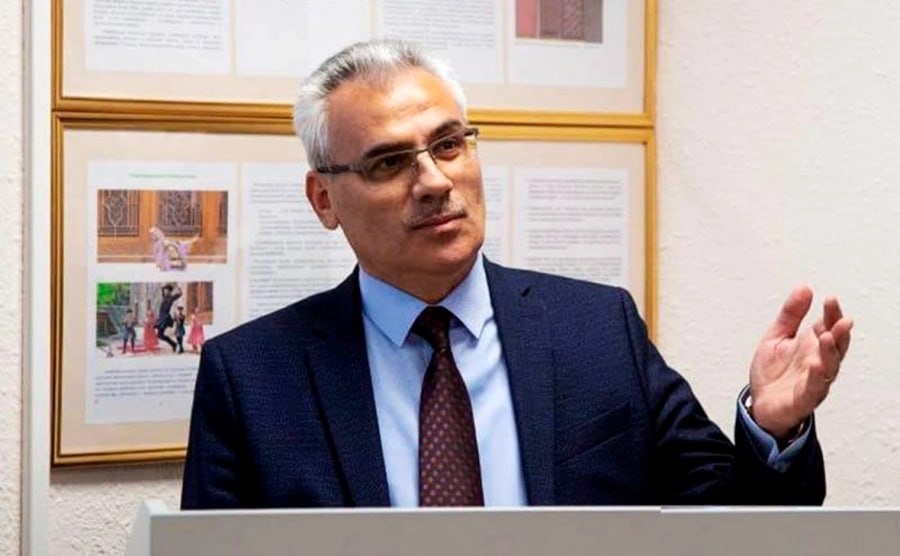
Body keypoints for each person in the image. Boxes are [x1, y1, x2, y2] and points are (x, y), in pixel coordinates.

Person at [182, 40, 852, 509]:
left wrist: (772, 428)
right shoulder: (250, 379)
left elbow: (728, 521)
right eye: (389, 163)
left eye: (449, 144)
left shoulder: (597, 329)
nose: (434, 181)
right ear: (324, 199)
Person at [155, 283, 182, 352]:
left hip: (165, 318)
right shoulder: (164, 297)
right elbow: (162, 289)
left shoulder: (171, 298)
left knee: (160, 334)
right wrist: (164, 286)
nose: (165, 291)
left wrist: (178, 287)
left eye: (166, 290)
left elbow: (180, 294)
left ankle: (174, 344)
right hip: (161, 317)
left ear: (169, 291)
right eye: (165, 290)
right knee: (160, 335)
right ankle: (173, 344)